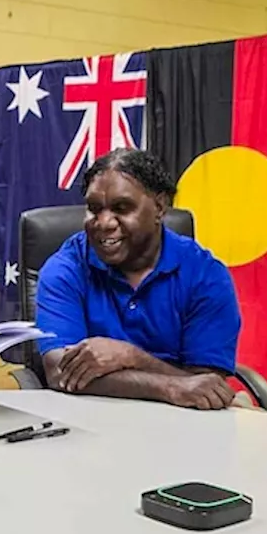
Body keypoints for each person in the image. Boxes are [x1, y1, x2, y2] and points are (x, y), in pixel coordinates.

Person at [35, 148, 242, 410]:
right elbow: (60, 373)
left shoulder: (205, 275)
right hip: (89, 420)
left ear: (159, 207)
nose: (105, 222)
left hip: (182, 425)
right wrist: (170, 386)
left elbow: (206, 388)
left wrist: (130, 357)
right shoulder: (65, 269)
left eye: (122, 208)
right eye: (94, 209)